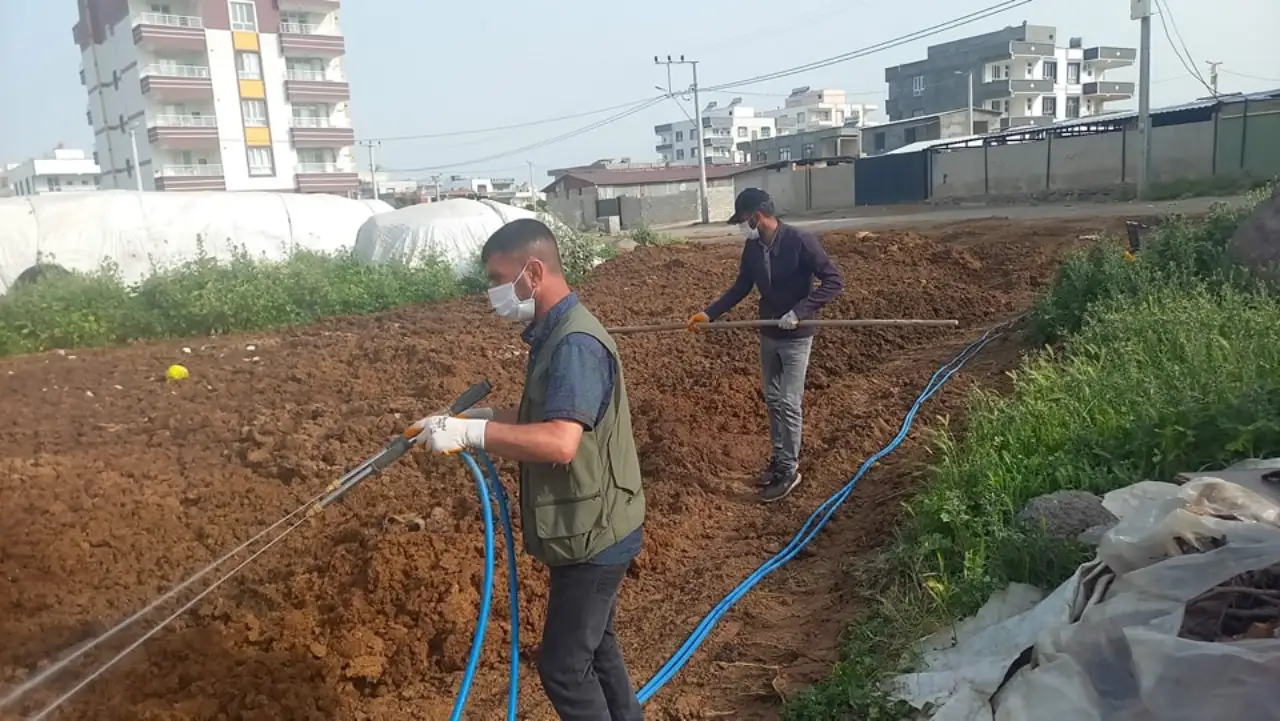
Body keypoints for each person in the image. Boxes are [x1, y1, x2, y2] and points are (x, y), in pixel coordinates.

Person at [414, 218, 646, 721]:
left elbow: (560, 442)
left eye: (499, 279)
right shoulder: (555, 334)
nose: (494, 292)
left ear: (533, 272)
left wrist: (473, 436)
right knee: (596, 649)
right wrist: (476, 418)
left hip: (595, 536)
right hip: (593, 523)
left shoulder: (574, 345)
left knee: (563, 668)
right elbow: (548, 416)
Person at [687, 188, 844, 503]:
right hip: (769, 333)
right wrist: (709, 314)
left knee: (788, 401)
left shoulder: (800, 241)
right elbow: (742, 286)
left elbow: (833, 281)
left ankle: (789, 469)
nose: (741, 226)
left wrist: (799, 312)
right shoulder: (753, 248)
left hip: (796, 337)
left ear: (757, 216)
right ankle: (778, 459)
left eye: (743, 220)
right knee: (773, 399)